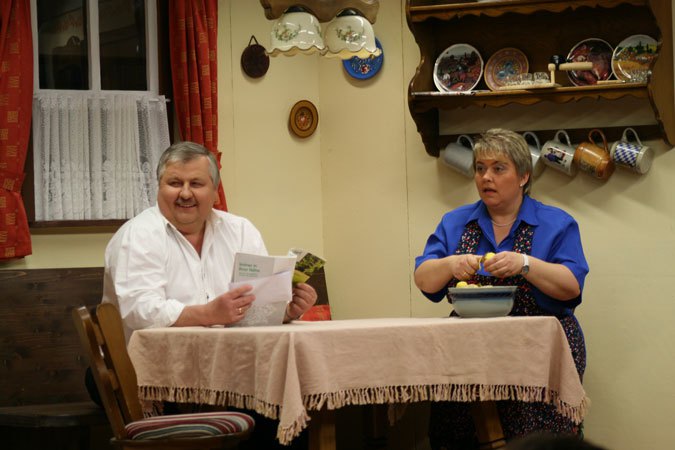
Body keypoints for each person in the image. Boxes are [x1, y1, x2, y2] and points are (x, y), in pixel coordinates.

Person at [95, 141, 317, 449]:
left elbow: (253, 307)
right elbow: (139, 310)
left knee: (289, 408)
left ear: (214, 191)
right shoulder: (138, 235)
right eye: (175, 183)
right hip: (142, 376)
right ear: (159, 187)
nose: (185, 193)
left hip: (224, 371)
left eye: (196, 184)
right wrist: (208, 314)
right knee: (264, 413)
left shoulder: (241, 230)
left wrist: (284, 310)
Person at [414, 129, 589, 449]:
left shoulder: (556, 222)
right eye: (480, 168)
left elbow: (570, 286)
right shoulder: (456, 222)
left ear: (523, 176)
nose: (486, 177)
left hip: (537, 352)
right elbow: (424, 278)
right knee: (460, 436)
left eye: (498, 168)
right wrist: (451, 264)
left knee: (535, 441)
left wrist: (526, 264)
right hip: (468, 352)